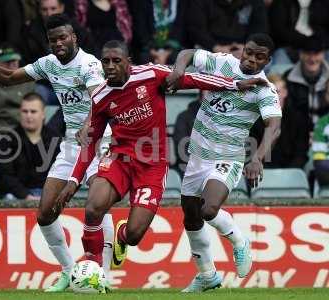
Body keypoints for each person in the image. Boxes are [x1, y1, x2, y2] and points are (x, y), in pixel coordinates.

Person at [55, 40, 266, 274]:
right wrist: (73, 181)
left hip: (152, 167)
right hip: (120, 159)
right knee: (93, 207)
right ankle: (93, 266)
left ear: (128, 62)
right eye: (106, 61)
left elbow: (193, 79)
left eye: (117, 60)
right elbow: (91, 142)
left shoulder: (150, 74)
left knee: (134, 236)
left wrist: (235, 84)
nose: (111, 66)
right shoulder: (101, 96)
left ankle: (123, 235)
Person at [0, 14, 113, 292]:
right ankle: (69, 272)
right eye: (53, 40)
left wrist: (86, 126)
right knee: (46, 213)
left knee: (96, 205)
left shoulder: (90, 64)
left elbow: (100, 102)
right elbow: (8, 77)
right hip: (71, 145)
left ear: (74, 38)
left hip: (100, 142)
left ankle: (102, 274)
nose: (58, 43)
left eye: (63, 38)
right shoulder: (48, 64)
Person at [167, 33, 282, 292]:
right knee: (191, 217)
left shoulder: (264, 89)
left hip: (227, 157)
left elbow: (274, 127)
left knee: (209, 210)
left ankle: (239, 240)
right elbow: (187, 52)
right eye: (249, 52)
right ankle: (207, 275)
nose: (251, 60)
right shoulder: (222, 63)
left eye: (259, 57)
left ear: (268, 60)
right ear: (244, 49)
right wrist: (178, 70)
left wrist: (257, 158)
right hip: (196, 155)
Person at [0, 93, 60, 200]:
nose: (29, 115)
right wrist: (25, 196)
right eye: (25, 111)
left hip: (48, 195)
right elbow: (5, 176)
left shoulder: (55, 139)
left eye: (33, 111)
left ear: (43, 114)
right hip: (18, 195)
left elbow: (60, 173)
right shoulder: (7, 140)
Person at [249, 74, 309, 168]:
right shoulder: (254, 120)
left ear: (285, 93)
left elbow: (301, 155)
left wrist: (288, 176)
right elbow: (252, 159)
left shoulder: (298, 119)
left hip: (292, 174)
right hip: (262, 174)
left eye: (277, 92)